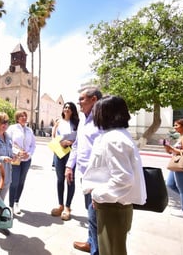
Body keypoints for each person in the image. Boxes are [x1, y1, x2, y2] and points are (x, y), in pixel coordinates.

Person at [82, 95, 147, 255]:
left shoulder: (113, 139)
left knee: (111, 250)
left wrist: (98, 194)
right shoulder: (117, 135)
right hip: (113, 204)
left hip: (112, 206)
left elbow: (123, 178)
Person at [65, 87, 102, 254]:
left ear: (93, 100)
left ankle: (96, 250)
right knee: (90, 213)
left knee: (95, 216)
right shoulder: (83, 120)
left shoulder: (103, 121)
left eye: (81, 99)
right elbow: (77, 145)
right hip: (84, 175)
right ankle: (90, 242)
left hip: (98, 178)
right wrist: (69, 166)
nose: (78, 102)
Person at [50, 102, 79, 220]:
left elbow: (79, 138)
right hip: (59, 152)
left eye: (69, 108)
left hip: (71, 152)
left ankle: (68, 207)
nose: (67, 109)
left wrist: (70, 143)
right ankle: (60, 205)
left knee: (70, 178)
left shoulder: (77, 123)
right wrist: (60, 143)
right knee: (60, 179)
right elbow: (53, 137)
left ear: (73, 111)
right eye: (65, 107)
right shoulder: (58, 122)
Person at [6, 110, 36, 215]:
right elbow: (8, 143)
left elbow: (33, 145)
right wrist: (17, 152)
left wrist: (29, 154)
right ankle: (10, 206)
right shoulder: (12, 128)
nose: (24, 117)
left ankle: (16, 202)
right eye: (21, 116)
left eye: (25, 116)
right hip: (15, 159)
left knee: (21, 182)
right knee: (14, 182)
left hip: (26, 160)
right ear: (17, 118)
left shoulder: (29, 130)